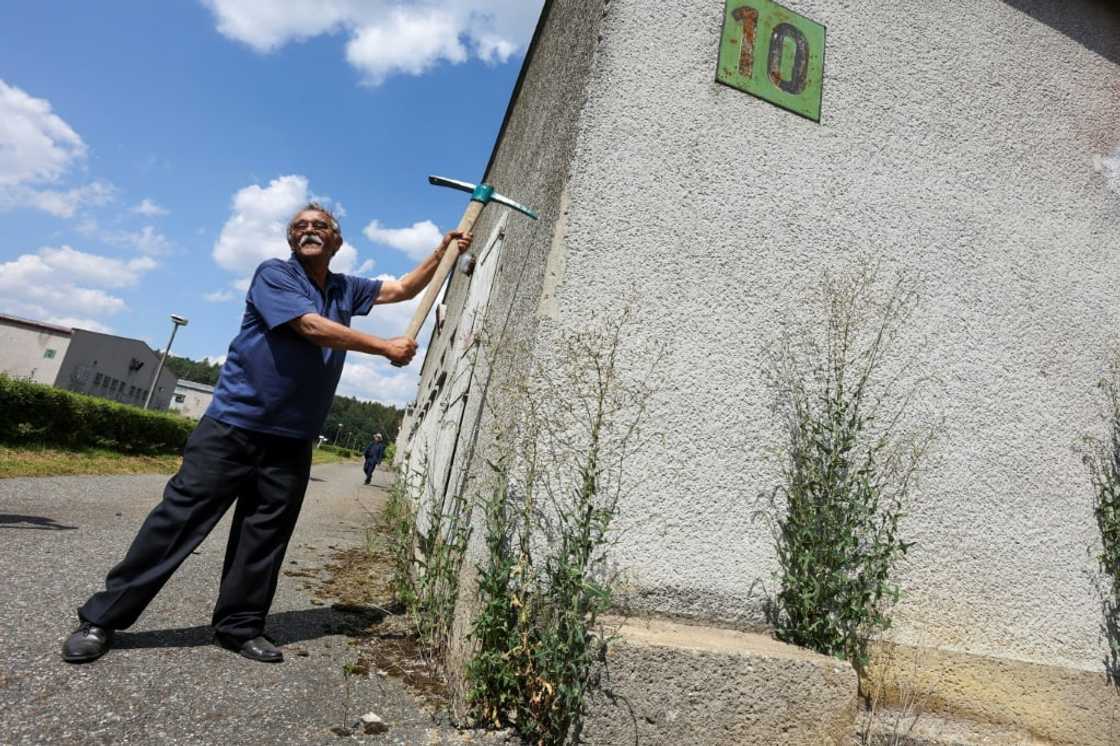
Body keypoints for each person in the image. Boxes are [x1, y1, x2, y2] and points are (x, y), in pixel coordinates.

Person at [61, 202, 471, 664]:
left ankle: (239, 627)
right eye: (300, 226)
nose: (308, 230)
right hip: (234, 426)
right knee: (176, 523)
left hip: (293, 438)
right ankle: (101, 619)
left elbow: (402, 289)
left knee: (265, 536)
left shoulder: (344, 288)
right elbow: (310, 326)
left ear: (336, 240)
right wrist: (383, 347)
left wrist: (442, 254)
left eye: (319, 225)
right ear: (291, 239)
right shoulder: (275, 274)